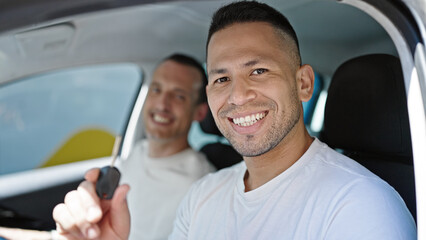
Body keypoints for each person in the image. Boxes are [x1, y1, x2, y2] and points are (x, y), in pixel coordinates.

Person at [52, 1, 417, 240]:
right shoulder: (201, 197)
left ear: (303, 83)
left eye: (258, 70)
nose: (237, 96)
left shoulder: (359, 205)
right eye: (221, 78)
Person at [0, 53, 215, 240]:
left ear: (200, 112)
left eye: (178, 96)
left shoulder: (203, 187)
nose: (162, 104)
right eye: (156, 90)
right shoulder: (138, 152)